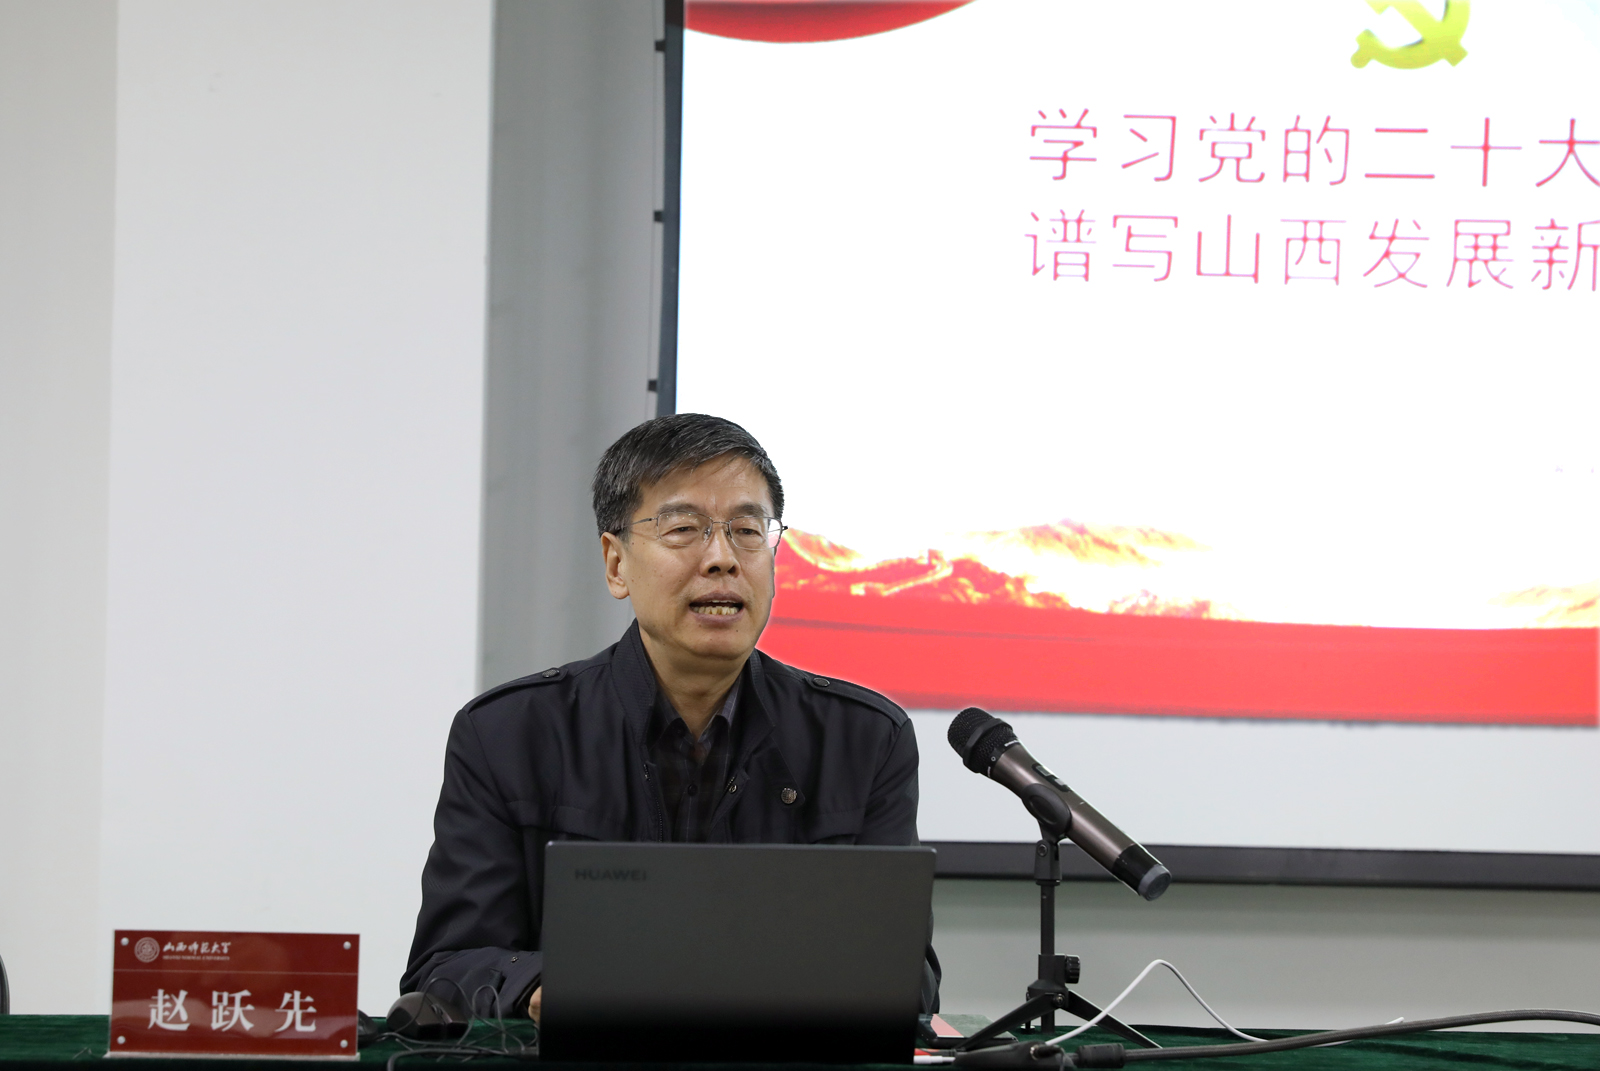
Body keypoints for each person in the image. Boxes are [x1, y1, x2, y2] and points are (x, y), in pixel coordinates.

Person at [401, 413, 939, 1020]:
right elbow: (444, 968)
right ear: (616, 564)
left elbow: (907, 980)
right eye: (684, 529)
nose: (722, 559)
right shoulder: (508, 735)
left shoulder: (865, 740)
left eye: (747, 531)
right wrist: (545, 989)